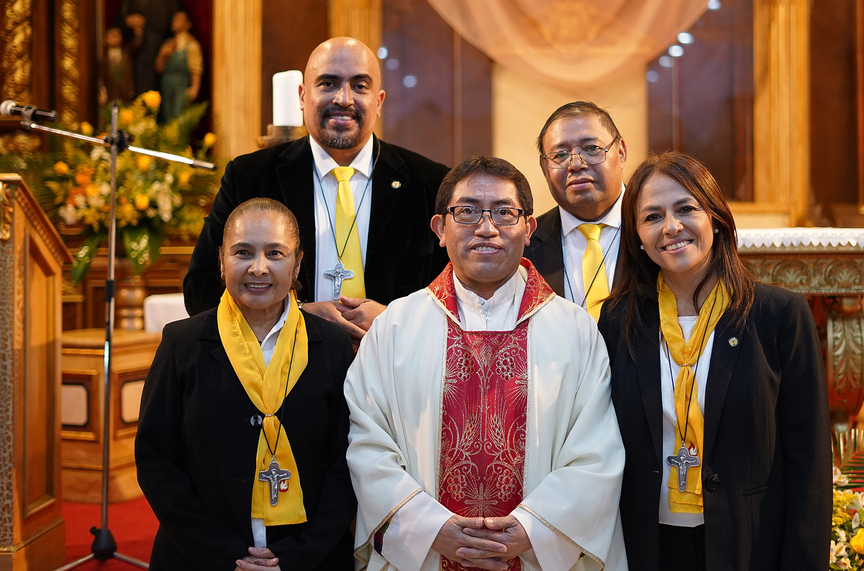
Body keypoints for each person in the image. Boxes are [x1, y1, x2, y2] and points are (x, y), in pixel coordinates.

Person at [345, 156, 627, 571]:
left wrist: (532, 529)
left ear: (528, 229)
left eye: (504, 212)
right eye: (468, 211)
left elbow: (596, 454)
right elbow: (368, 444)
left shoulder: (575, 330)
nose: (486, 227)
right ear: (440, 229)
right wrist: (430, 528)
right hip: (428, 555)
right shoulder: (396, 327)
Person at [597, 152, 832, 571]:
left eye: (686, 208)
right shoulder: (618, 320)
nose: (671, 227)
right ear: (635, 234)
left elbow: (809, 460)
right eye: (652, 217)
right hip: (645, 544)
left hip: (750, 541)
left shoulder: (779, 315)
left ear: (716, 218)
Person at [136, 198, 356, 570]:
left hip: (311, 557)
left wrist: (302, 553)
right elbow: (157, 461)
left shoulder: (333, 347)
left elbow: (347, 462)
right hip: (198, 556)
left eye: (275, 253)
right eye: (243, 252)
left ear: (298, 263)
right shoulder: (182, 343)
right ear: (221, 262)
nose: (259, 268)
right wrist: (224, 553)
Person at [183, 37, 450, 341]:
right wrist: (295, 314)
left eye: (360, 86)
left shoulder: (430, 182)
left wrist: (394, 319)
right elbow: (200, 288)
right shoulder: (249, 177)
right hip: (283, 373)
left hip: (396, 371)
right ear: (302, 96)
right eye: (328, 83)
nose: (344, 99)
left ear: (379, 102)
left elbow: (461, 291)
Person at [526, 101, 626, 321]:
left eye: (592, 149)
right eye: (560, 155)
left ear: (621, 152)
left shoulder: (659, 229)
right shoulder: (524, 247)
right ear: (545, 168)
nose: (576, 164)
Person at [155, 10, 203, 123]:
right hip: (167, 83)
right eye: (174, 19)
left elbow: (196, 68)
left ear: (187, 24)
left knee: (179, 116)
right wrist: (161, 55)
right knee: (167, 115)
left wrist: (195, 88)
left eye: (179, 19)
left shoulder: (192, 45)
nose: (175, 22)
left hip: (181, 83)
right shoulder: (168, 44)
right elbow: (159, 69)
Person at [98, 24, 141, 105]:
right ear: (105, 40)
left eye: (117, 35)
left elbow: (136, 44)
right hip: (111, 91)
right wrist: (102, 92)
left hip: (126, 91)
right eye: (111, 36)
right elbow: (101, 77)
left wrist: (138, 31)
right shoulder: (104, 59)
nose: (115, 38)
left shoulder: (126, 53)